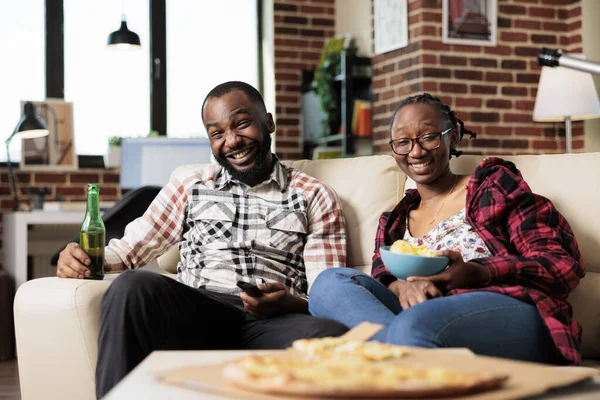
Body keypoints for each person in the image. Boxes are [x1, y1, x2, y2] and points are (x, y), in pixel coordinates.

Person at [56, 81, 349, 397]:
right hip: (198, 312)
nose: (232, 140)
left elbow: (326, 293)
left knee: (332, 334)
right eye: (217, 133)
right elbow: (129, 250)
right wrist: (83, 259)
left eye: (241, 124)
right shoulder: (190, 183)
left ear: (268, 122)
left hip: (273, 320)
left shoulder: (313, 195)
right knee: (131, 286)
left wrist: (289, 302)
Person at [308, 93, 585, 365]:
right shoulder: (393, 221)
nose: (415, 152)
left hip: (504, 307)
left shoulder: (493, 186)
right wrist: (398, 288)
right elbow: (382, 277)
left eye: (428, 137)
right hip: (417, 315)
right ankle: (411, 359)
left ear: (452, 137)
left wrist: (478, 271)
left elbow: (560, 265)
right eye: (403, 142)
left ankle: (397, 356)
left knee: (414, 324)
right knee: (329, 284)